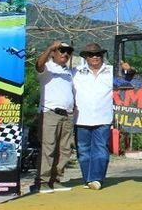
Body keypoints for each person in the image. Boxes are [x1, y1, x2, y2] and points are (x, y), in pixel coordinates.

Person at [73, 43, 135, 190]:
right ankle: (88, 179)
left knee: (100, 149)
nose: (95, 57)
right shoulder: (76, 71)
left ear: (102, 56)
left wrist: (130, 70)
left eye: (98, 54)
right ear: (85, 57)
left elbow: (127, 83)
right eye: (91, 54)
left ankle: (96, 179)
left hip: (103, 118)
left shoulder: (111, 72)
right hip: (80, 118)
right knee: (83, 151)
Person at [35, 40, 75, 194]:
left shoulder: (69, 72)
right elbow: (38, 64)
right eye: (61, 50)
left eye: (68, 51)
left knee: (64, 150)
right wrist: (49, 47)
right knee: (48, 147)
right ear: (54, 53)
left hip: (67, 115)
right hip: (50, 112)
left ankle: (56, 180)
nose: (65, 54)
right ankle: (42, 182)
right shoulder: (47, 67)